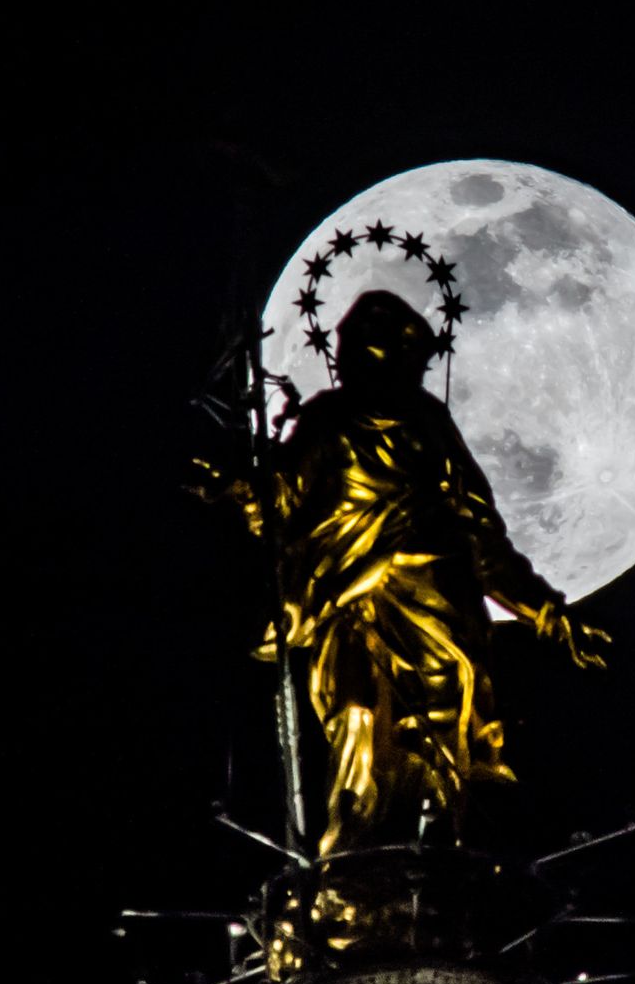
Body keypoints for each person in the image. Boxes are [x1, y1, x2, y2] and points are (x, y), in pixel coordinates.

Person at [247, 290, 607, 856]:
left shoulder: (429, 424)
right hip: (348, 598)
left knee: (445, 735)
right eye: (346, 351)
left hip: (439, 607)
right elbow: (277, 501)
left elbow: (485, 539)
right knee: (356, 722)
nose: (349, 362)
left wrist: (550, 613)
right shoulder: (325, 420)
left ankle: (440, 858)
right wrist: (236, 481)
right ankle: (352, 866)